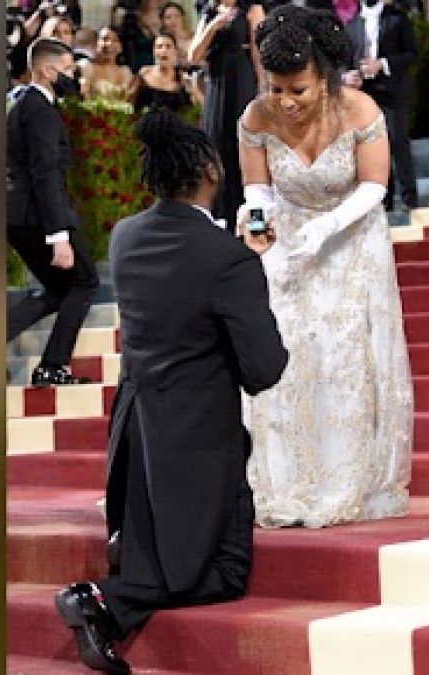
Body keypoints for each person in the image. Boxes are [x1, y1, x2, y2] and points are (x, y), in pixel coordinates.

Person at [54, 107, 288, 673]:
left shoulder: (125, 237)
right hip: (201, 443)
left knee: (162, 556)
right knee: (222, 576)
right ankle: (104, 599)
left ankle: (108, 599)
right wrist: (248, 269)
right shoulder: (227, 258)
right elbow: (264, 369)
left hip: (137, 435)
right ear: (209, 169)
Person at [237, 5, 413, 527]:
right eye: (277, 89)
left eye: (299, 90)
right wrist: (259, 221)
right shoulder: (255, 116)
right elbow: (258, 187)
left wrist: (324, 229)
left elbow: (375, 187)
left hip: (352, 241)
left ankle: (347, 477)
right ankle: (290, 477)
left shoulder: (359, 111)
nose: (286, 102)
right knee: (288, 352)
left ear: (325, 78)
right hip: (289, 241)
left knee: (343, 355)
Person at [6, 38, 99, 386]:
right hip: (37, 213)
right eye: (69, 70)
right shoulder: (39, 108)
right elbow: (45, 172)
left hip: (16, 214)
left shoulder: (17, 102)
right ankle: (53, 366)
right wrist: (58, 236)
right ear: (48, 70)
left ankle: (51, 366)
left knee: (59, 290)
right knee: (84, 280)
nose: (74, 77)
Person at [190, 0, 266, 222]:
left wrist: (263, 93)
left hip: (241, 82)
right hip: (216, 84)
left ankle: (253, 225)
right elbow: (193, 56)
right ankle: (218, 220)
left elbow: (258, 54)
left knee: (244, 150)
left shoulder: (252, 9)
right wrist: (213, 25)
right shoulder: (209, 12)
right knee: (215, 149)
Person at [345, 0, 419, 210]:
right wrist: (349, 75)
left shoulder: (397, 18)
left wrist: (383, 64)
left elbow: (412, 53)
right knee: (374, 145)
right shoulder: (352, 24)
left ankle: (409, 195)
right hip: (365, 93)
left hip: (392, 89)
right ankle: (384, 198)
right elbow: (345, 60)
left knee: (397, 139)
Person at [130, 32, 204, 112]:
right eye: (159, 47)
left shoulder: (183, 79)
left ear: (175, 51)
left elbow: (202, 107)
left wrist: (194, 90)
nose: (163, 50)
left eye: (168, 47)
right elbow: (130, 105)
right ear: (154, 52)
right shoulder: (144, 74)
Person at [79, 26, 136, 101]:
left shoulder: (125, 72)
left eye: (115, 40)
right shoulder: (86, 66)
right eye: (104, 39)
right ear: (97, 43)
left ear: (120, 47)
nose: (109, 44)